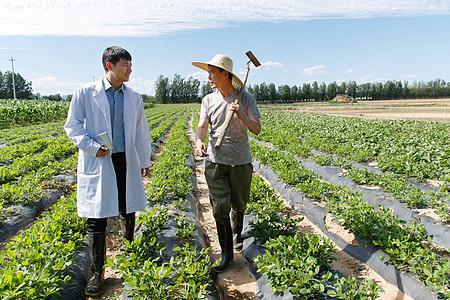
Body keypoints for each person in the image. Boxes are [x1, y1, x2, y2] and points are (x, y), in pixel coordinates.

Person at [64, 46, 151, 296]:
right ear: (109, 66)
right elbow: (72, 126)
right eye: (125, 64)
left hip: (125, 160)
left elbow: (141, 130)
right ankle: (96, 273)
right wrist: (92, 147)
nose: (130, 69)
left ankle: (130, 260)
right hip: (100, 160)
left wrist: (144, 161)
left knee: (128, 209)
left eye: (131, 64)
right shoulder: (85, 93)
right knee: (97, 217)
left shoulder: (133, 96)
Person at [192, 54, 261, 273]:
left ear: (225, 74)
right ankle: (227, 254)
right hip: (215, 160)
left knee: (238, 203)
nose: (209, 76)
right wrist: (199, 141)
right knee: (219, 206)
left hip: (240, 161)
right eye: (208, 72)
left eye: (212, 72)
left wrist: (241, 114)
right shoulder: (208, 100)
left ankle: (236, 230)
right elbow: (202, 125)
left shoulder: (246, 98)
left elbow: (257, 129)